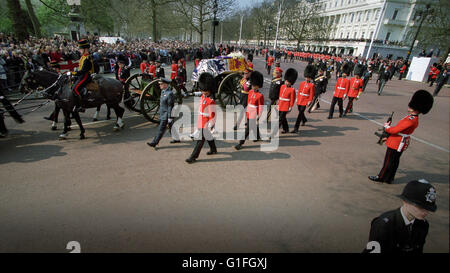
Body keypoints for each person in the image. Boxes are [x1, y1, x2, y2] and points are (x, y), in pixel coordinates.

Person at [369, 90, 434, 184]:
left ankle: (381, 177)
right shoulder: (412, 118)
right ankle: (389, 178)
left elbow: (395, 130)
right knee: (394, 161)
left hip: (396, 142)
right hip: (400, 142)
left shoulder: (410, 120)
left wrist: (387, 127)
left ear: (415, 108)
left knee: (388, 161)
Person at [363, 179, 437, 253]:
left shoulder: (423, 225)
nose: (425, 212)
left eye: (428, 209)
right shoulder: (383, 225)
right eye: (420, 207)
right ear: (405, 201)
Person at [186, 73, 217, 163]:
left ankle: (193, 157)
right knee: (208, 136)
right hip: (201, 120)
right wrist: (190, 93)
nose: (203, 92)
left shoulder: (211, 101)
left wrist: (212, 125)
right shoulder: (204, 95)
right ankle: (213, 149)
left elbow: (213, 115)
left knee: (200, 140)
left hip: (206, 123)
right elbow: (200, 93)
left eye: (204, 90)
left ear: (209, 90)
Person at [234, 71, 264, 150]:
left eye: (255, 86)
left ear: (258, 86)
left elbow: (260, 107)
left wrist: (259, 115)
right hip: (249, 112)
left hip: (254, 113)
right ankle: (257, 136)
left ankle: (240, 143)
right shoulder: (250, 92)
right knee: (252, 125)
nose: (253, 87)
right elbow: (248, 102)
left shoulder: (260, 96)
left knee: (247, 129)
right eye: (253, 85)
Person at [146, 78, 178, 148]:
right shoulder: (163, 92)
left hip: (167, 114)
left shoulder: (169, 94)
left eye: (161, 84)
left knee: (161, 129)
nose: (159, 85)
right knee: (171, 126)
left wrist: (169, 117)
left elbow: (170, 106)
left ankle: (154, 142)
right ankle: (176, 138)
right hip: (163, 113)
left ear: (165, 85)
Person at [71, 39, 94, 113]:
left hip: (85, 76)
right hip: (81, 75)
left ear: (85, 49)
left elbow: (84, 70)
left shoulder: (87, 58)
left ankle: (80, 106)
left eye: (81, 49)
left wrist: (74, 73)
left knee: (75, 89)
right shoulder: (83, 57)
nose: (79, 50)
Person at [292, 64, 315, 132]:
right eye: (306, 77)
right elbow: (299, 91)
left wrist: (309, 101)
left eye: (308, 77)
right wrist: (297, 98)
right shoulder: (302, 83)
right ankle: (304, 120)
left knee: (300, 113)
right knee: (300, 112)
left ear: (310, 78)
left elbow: (311, 94)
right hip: (300, 99)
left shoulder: (311, 85)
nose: (307, 78)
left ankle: (296, 128)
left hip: (305, 100)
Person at [277, 68, 297, 134]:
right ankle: (286, 129)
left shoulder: (292, 90)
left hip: (286, 105)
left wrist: (290, 106)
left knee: (280, 119)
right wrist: (278, 103)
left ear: (290, 82)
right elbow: (280, 96)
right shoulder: (282, 86)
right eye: (286, 81)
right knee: (283, 118)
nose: (286, 82)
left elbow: (292, 98)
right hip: (281, 104)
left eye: (288, 81)